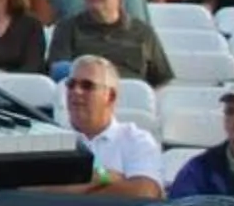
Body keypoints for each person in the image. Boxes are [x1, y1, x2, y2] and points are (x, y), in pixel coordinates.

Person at [53, 55, 165, 194]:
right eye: (71, 84)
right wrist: (103, 176)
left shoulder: (137, 140)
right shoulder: (50, 139)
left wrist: (67, 190)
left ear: (110, 96)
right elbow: (29, 189)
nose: (76, 91)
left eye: (87, 86)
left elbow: (145, 192)